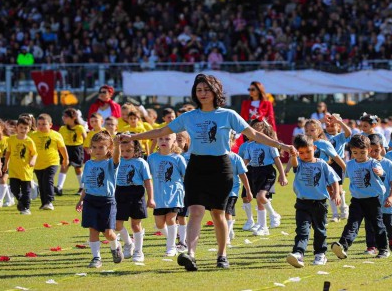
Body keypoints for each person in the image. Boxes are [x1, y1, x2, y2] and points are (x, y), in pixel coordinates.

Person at [120, 74, 295, 271]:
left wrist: (281, 145)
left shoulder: (228, 115)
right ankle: (191, 254)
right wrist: (134, 136)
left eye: (206, 89)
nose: (202, 93)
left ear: (215, 91)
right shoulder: (189, 116)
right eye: (199, 90)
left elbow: (253, 134)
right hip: (197, 166)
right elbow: (161, 131)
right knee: (195, 211)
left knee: (218, 214)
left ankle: (222, 255)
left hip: (221, 167)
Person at [285, 135, 341, 268]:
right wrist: (293, 155)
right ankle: (298, 253)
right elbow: (294, 162)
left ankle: (320, 254)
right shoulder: (298, 163)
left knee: (319, 230)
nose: (305, 155)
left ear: (314, 148)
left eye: (308, 151)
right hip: (302, 203)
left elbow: (334, 180)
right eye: (301, 152)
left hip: (319, 204)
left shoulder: (322, 164)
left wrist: (337, 193)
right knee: (302, 230)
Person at [331, 134, 390, 259]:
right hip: (357, 200)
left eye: (362, 152)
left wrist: (380, 172)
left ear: (369, 151)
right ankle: (342, 246)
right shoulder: (350, 164)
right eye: (355, 152)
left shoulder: (373, 163)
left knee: (377, 225)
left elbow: (382, 172)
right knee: (352, 224)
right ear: (351, 152)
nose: (359, 156)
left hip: (373, 200)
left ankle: (383, 249)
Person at [75, 131, 123, 269]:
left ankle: (115, 246)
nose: (97, 150)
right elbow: (87, 185)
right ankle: (96, 258)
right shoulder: (89, 164)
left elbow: (117, 158)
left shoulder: (110, 164)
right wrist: (81, 200)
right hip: (90, 201)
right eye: (94, 147)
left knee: (108, 233)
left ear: (109, 148)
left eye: (101, 147)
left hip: (106, 202)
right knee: (93, 230)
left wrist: (118, 144)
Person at [241, 119, 287, 236]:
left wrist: (282, 176)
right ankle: (263, 227)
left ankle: (273, 214)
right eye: (253, 128)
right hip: (255, 172)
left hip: (267, 172)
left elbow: (277, 160)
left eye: (258, 128)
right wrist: (237, 171)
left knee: (261, 196)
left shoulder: (270, 144)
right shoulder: (249, 146)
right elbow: (246, 161)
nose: (255, 130)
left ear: (264, 131)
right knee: (259, 200)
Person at [115, 136, 154, 262]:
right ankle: (128, 243)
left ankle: (138, 251)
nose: (125, 154)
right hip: (120, 192)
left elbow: (148, 181)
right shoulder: (116, 161)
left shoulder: (141, 162)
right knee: (117, 224)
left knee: (135, 224)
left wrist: (150, 198)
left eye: (128, 150)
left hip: (136, 192)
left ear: (136, 149)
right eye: (122, 151)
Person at [148, 133, 186, 257]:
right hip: (158, 196)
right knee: (159, 224)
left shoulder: (178, 158)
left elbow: (186, 175)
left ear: (174, 141)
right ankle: (173, 241)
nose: (164, 141)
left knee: (170, 219)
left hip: (175, 194)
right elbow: (147, 176)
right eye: (160, 138)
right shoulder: (152, 158)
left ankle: (170, 248)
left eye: (167, 139)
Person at [305, 118, 348, 220]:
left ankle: (341, 209)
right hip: (314, 173)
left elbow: (336, 157)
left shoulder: (324, 143)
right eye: (306, 131)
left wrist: (346, 169)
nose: (309, 133)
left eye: (312, 130)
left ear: (319, 131)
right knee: (327, 192)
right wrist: (287, 169)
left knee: (336, 190)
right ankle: (333, 214)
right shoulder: (305, 143)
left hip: (329, 169)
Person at [364, 134, 392, 254]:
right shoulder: (364, 164)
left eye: (377, 150)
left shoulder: (388, 164)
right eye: (371, 151)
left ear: (382, 148)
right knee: (370, 224)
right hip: (370, 200)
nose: (373, 153)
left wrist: (391, 196)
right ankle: (371, 246)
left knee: (388, 222)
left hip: (385, 200)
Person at [30, 114, 69, 211]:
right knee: (41, 182)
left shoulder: (56, 135)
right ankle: (44, 203)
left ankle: (49, 201)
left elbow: (62, 148)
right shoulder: (33, 135)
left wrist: (66, 159)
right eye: (39, 124)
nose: (41, 126)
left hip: (52, 162)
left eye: (44, 124)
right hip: (38, 164)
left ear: (50, 125)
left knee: (48, 180)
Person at [4, 117, 38, 215]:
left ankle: (26, 208)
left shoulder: (29, 141)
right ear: (17, 127)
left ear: (29, 128)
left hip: (25, 171)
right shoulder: (11, 139)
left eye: (25, 128)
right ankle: (20, 200)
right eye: (21, 127)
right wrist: (6, 164)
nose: (23, 130)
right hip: (14, 170)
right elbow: (8, 152)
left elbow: (35, 153)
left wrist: (32, 161)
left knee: (26, 191)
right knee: (13, 189)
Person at [225, 132, 252, 245]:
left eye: (228, 141)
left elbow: (243, 175)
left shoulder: (236, 158)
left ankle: (226, 235)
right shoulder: (214, 158)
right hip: (218, 191)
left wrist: (248, 191)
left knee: (227, 212)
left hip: (232, 191)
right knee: (219, 213)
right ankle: (229, 231)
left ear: (232, 142)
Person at [324, 114, 352, 221]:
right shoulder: (323, 136)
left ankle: (344, 207)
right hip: (326, 163)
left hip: (338, 164)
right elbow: (312, 128)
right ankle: (335, 214)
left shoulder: (340, 136)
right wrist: (322, 120)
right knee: (329, 189)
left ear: (338, 127)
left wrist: (340, 122)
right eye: (327, 126)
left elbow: (349, 132)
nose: (330, 128)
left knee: (338, 189)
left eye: (333, 126)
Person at [235, 81, 277, 153]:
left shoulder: (267, 103)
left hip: (262, 131)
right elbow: (242, 118)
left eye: (253, 89)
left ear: (259, 90)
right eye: (249, 89)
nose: (250, 91)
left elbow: (271, 118)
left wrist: (274, 132)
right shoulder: (245, 103)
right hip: (248, 131)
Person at [57, 108, 87, 195]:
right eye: (63, 116)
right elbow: (59, 140)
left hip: (77, 149)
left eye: (66, 116)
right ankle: (59, 187)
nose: (63, 118)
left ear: (73, 117)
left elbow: (86, 139)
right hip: (66, 149)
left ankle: (82, 187)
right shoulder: (62, 128)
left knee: (78, 168)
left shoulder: (80, 128)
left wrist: (88, 148)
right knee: (64, 166)